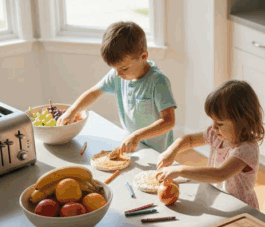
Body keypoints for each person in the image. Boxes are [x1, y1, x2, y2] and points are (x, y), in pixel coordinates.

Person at [58, 21, 176, 154]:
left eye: (124, 68)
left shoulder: (158, 81)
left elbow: (169, 121)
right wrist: (72, 110)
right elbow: (94, 93)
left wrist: (138, 135)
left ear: (143, 56)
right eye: (115, 69)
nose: (118, 74)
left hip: (158, 151)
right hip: (132, 144)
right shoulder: (118, 74)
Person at [156, 80, 263, 210]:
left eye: (220, 123)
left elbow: (219, 174)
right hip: (219, 199)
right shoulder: (217, 134)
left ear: (242, 122)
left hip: (241, 208)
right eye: (213, 121)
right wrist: (171, 151)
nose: (213, 127)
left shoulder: (247, 149)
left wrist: (180, 170)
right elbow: (189, 140)